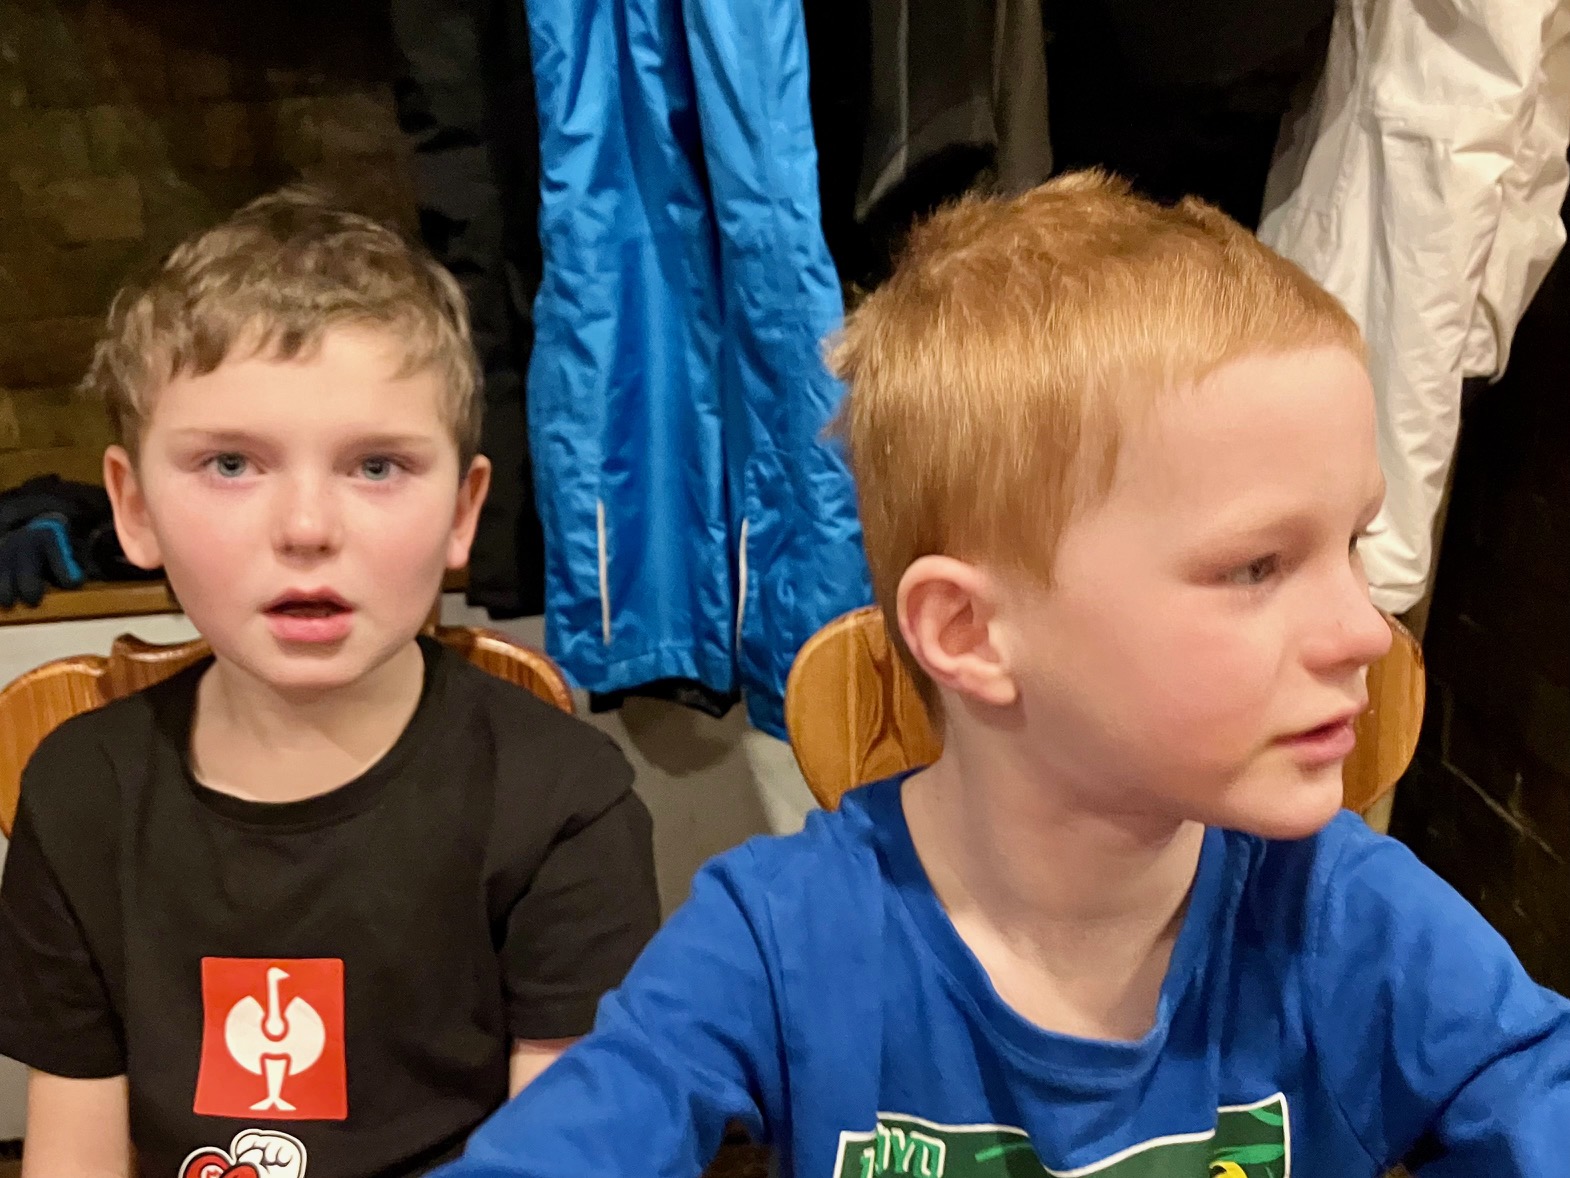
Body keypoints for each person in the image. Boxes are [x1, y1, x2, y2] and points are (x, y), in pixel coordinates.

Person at [429, 171, 1570, 1178]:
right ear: (971, 633)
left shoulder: (1352, 921)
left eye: (1354, 542)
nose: (1365, 629)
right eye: (1256, 566)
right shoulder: (778, 940)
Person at [0, 190, 662, 1178]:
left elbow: (562, 1153)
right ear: (133, 508)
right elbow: (74, 1154)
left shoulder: (564, 805)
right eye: (231, 463)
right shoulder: (78, 795)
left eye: (377, 466)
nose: (307, 527)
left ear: (463, 511)